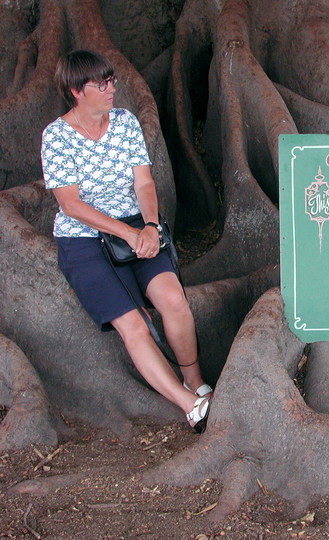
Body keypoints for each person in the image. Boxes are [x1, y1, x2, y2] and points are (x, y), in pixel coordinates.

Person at [41, 50, 212, 432]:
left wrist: (150, 226)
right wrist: (128, 234)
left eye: (111, 80)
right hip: (83, 241)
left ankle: (195, 381)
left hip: (137, 225)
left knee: (173, 300)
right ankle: (191, 406)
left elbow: (143, 182)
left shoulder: (125, 122)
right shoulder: (56, 137)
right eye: (99, 84)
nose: (110, 89)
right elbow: (71, 205)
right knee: (133, 326)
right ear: (75, 91)